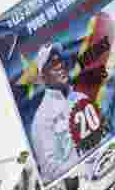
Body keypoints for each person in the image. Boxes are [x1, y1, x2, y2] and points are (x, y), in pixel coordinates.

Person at [29, 43, 98, 181]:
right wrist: (84, 169)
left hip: (104, 171)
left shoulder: (81, 98)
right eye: (52, 63)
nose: (60, 65)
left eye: (60, 60)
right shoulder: (42, 119)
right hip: (80, 186)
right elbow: (50, 170)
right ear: (43, 77)